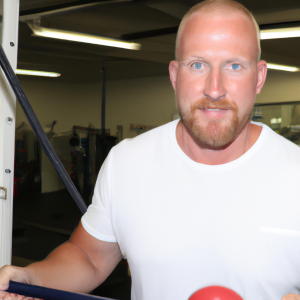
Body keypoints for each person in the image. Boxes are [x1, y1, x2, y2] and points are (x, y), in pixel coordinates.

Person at [1, 0, 300, 299]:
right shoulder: (127, 162)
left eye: (234, 66)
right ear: (174, 75)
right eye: (198, 64)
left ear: (259, 77)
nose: (214, 88)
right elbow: (88, 257)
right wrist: (31, 278)